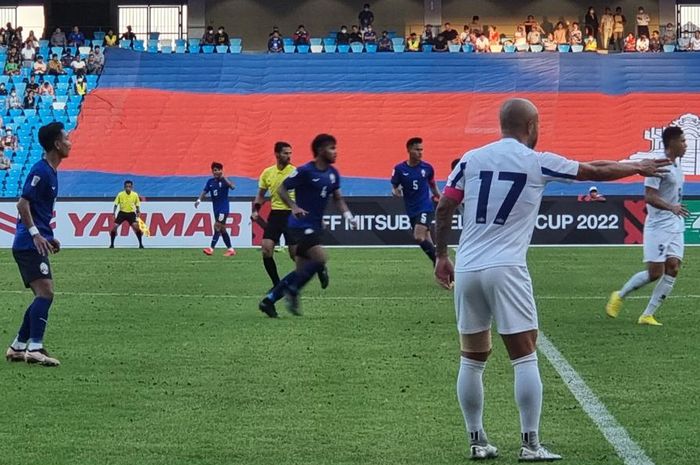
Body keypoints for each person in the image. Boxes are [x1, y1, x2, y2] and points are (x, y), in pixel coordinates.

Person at [433, 98, 669, 462]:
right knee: (524, 357)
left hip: (467, 267)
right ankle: (530, 444)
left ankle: (477, 440)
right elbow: (594, 171)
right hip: (507, 268)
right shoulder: (536, 160)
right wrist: (636, 167)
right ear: (531, 126)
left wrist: (442, 256)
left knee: (472, 359)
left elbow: (445, 206)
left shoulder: (471, 158)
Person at [258, 134, 357, 318]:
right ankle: (294, 291)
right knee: (320, 258)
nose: (336, 152)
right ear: (320, 151)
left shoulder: (333, 174)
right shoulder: (305, 171)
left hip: (314, 226)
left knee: (300, 271)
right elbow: (281, 188)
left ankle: (269, 301)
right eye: (331, 148)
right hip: (299, 225)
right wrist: (293, 206)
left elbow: (338, 198)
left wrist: (349, 216)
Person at [5, 122, 72, 367]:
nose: (70, 142)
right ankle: (35, 347)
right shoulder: (40, 171)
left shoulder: (51, 171)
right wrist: (35, 234)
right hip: (28, 243)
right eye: (66, 138)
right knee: (46, 293)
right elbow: (22, 205)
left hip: (34, 241)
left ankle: (18, 346)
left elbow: (36, 209)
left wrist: (47, 234)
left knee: (40, 295)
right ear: (56, 144)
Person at [607, 127, 687, 326]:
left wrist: (675, 210)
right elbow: (649, 196)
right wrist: (671, 207)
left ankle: (647, 315)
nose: (685, 145)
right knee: (655, 273)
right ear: (672, 143)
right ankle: (620, 295)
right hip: (658, 226)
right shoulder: (658, 165)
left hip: (675, 224)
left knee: (674, 268)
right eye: (683, 141)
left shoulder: (678, 166)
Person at [391, 137, 440, 266]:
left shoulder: (427, 168)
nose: (420, 152)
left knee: (418, 236)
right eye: (417, 149)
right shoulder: (399, 169)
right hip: (411, 210)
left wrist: (441, 198)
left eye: (421, 150)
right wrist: (396, 192)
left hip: (425, 207)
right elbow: (394, 187)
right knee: (427, 242)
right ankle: (441, 268)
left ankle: (439, 261)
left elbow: (432, 185)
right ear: (408, 150)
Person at [194, 162, 237, 257]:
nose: (215, 172)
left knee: (217, 226)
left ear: (221, 171)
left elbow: (233, 187)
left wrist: (224, 177)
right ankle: (231, 249)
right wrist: (199, 200)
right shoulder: (210, 182)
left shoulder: (225, 181)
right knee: (222, 229)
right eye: (214, 170)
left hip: (223, 209)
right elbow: (205, 191)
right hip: (216, 209)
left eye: (217, 170)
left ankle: (211, 248)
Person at [109, 180, 144, 249]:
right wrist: (113, 212)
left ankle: (140, 244)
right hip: (122, 213)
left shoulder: (135, 195)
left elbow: (137, 205)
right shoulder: (120, 194)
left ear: (132, 187)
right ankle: (112, 244)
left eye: (129, 186)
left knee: (136, 228)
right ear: (124, 187)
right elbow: (116, 204)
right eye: (126, 186)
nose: (128, 188)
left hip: (131, 213)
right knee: (114, 227)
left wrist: (138, 212)